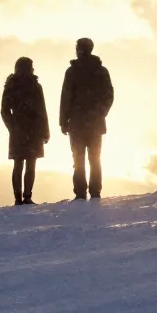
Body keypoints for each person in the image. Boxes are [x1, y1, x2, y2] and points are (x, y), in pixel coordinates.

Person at [59, 37, 114, 200]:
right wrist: (100, 112)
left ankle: (81, 192)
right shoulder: (100, 71)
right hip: (93, 122)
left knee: (80, 158)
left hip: (78, 122)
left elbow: (65, 98)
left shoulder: (73, 72)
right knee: (93, 158)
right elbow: (109, 96)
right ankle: (94, 191)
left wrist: (63, 121)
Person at [1, 57, 50, 206]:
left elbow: (42, 110)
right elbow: (5, 111)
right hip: (24, 130)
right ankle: (21, 197)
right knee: (22, 164)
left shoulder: (30, 86)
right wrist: (13, 127)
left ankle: (25, 197)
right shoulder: (14, 86)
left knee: (28, 164)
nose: (32, 69)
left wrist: (45, 131)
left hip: (31, 130)